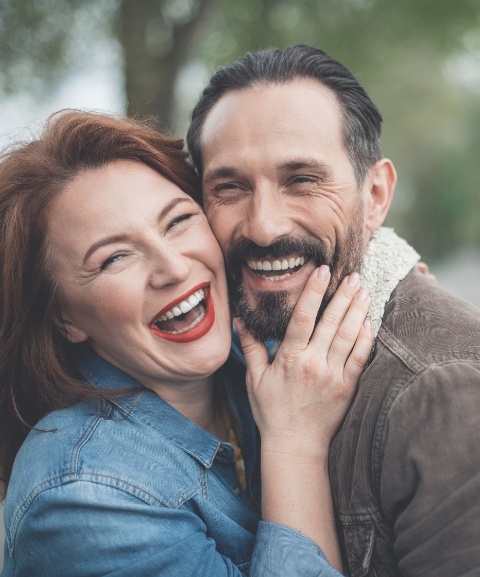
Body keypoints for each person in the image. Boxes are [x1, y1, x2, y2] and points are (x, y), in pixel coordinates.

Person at [0, 110, 374, 576]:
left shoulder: (249, 350)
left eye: (177, 222)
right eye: (115, 257)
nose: (174, 268)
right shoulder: (83, 495)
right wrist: (294, 443)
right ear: (64, 317)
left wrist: (390, 274)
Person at [186, 45, 480, 576]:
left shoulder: (446, 394)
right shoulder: (226, 341)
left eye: (302, 180)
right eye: (229, 187)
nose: (264, 226)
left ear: (375, 196)